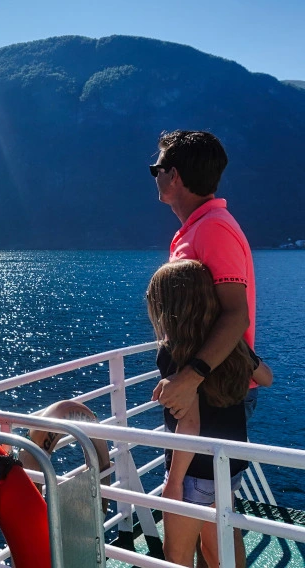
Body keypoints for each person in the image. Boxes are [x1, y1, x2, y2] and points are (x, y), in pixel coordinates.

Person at [147, 260, 258, 567]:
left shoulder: (175, 352)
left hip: (194, 472)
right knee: (216, 548)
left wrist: (174, 483)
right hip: (229, 467)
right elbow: (267, 377)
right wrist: (246, 357)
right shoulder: (228, 346)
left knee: (176, 556)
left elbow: (190, 422)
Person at [149, 130, 258, 424]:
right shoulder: (199, 227)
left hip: (214, 386)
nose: (154, 177)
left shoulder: (213, 230)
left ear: (174, 176)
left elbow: (237, 315)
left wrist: (189, 376)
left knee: (211, 470)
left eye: (156, 170)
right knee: (193, 470)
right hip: (201, 383)